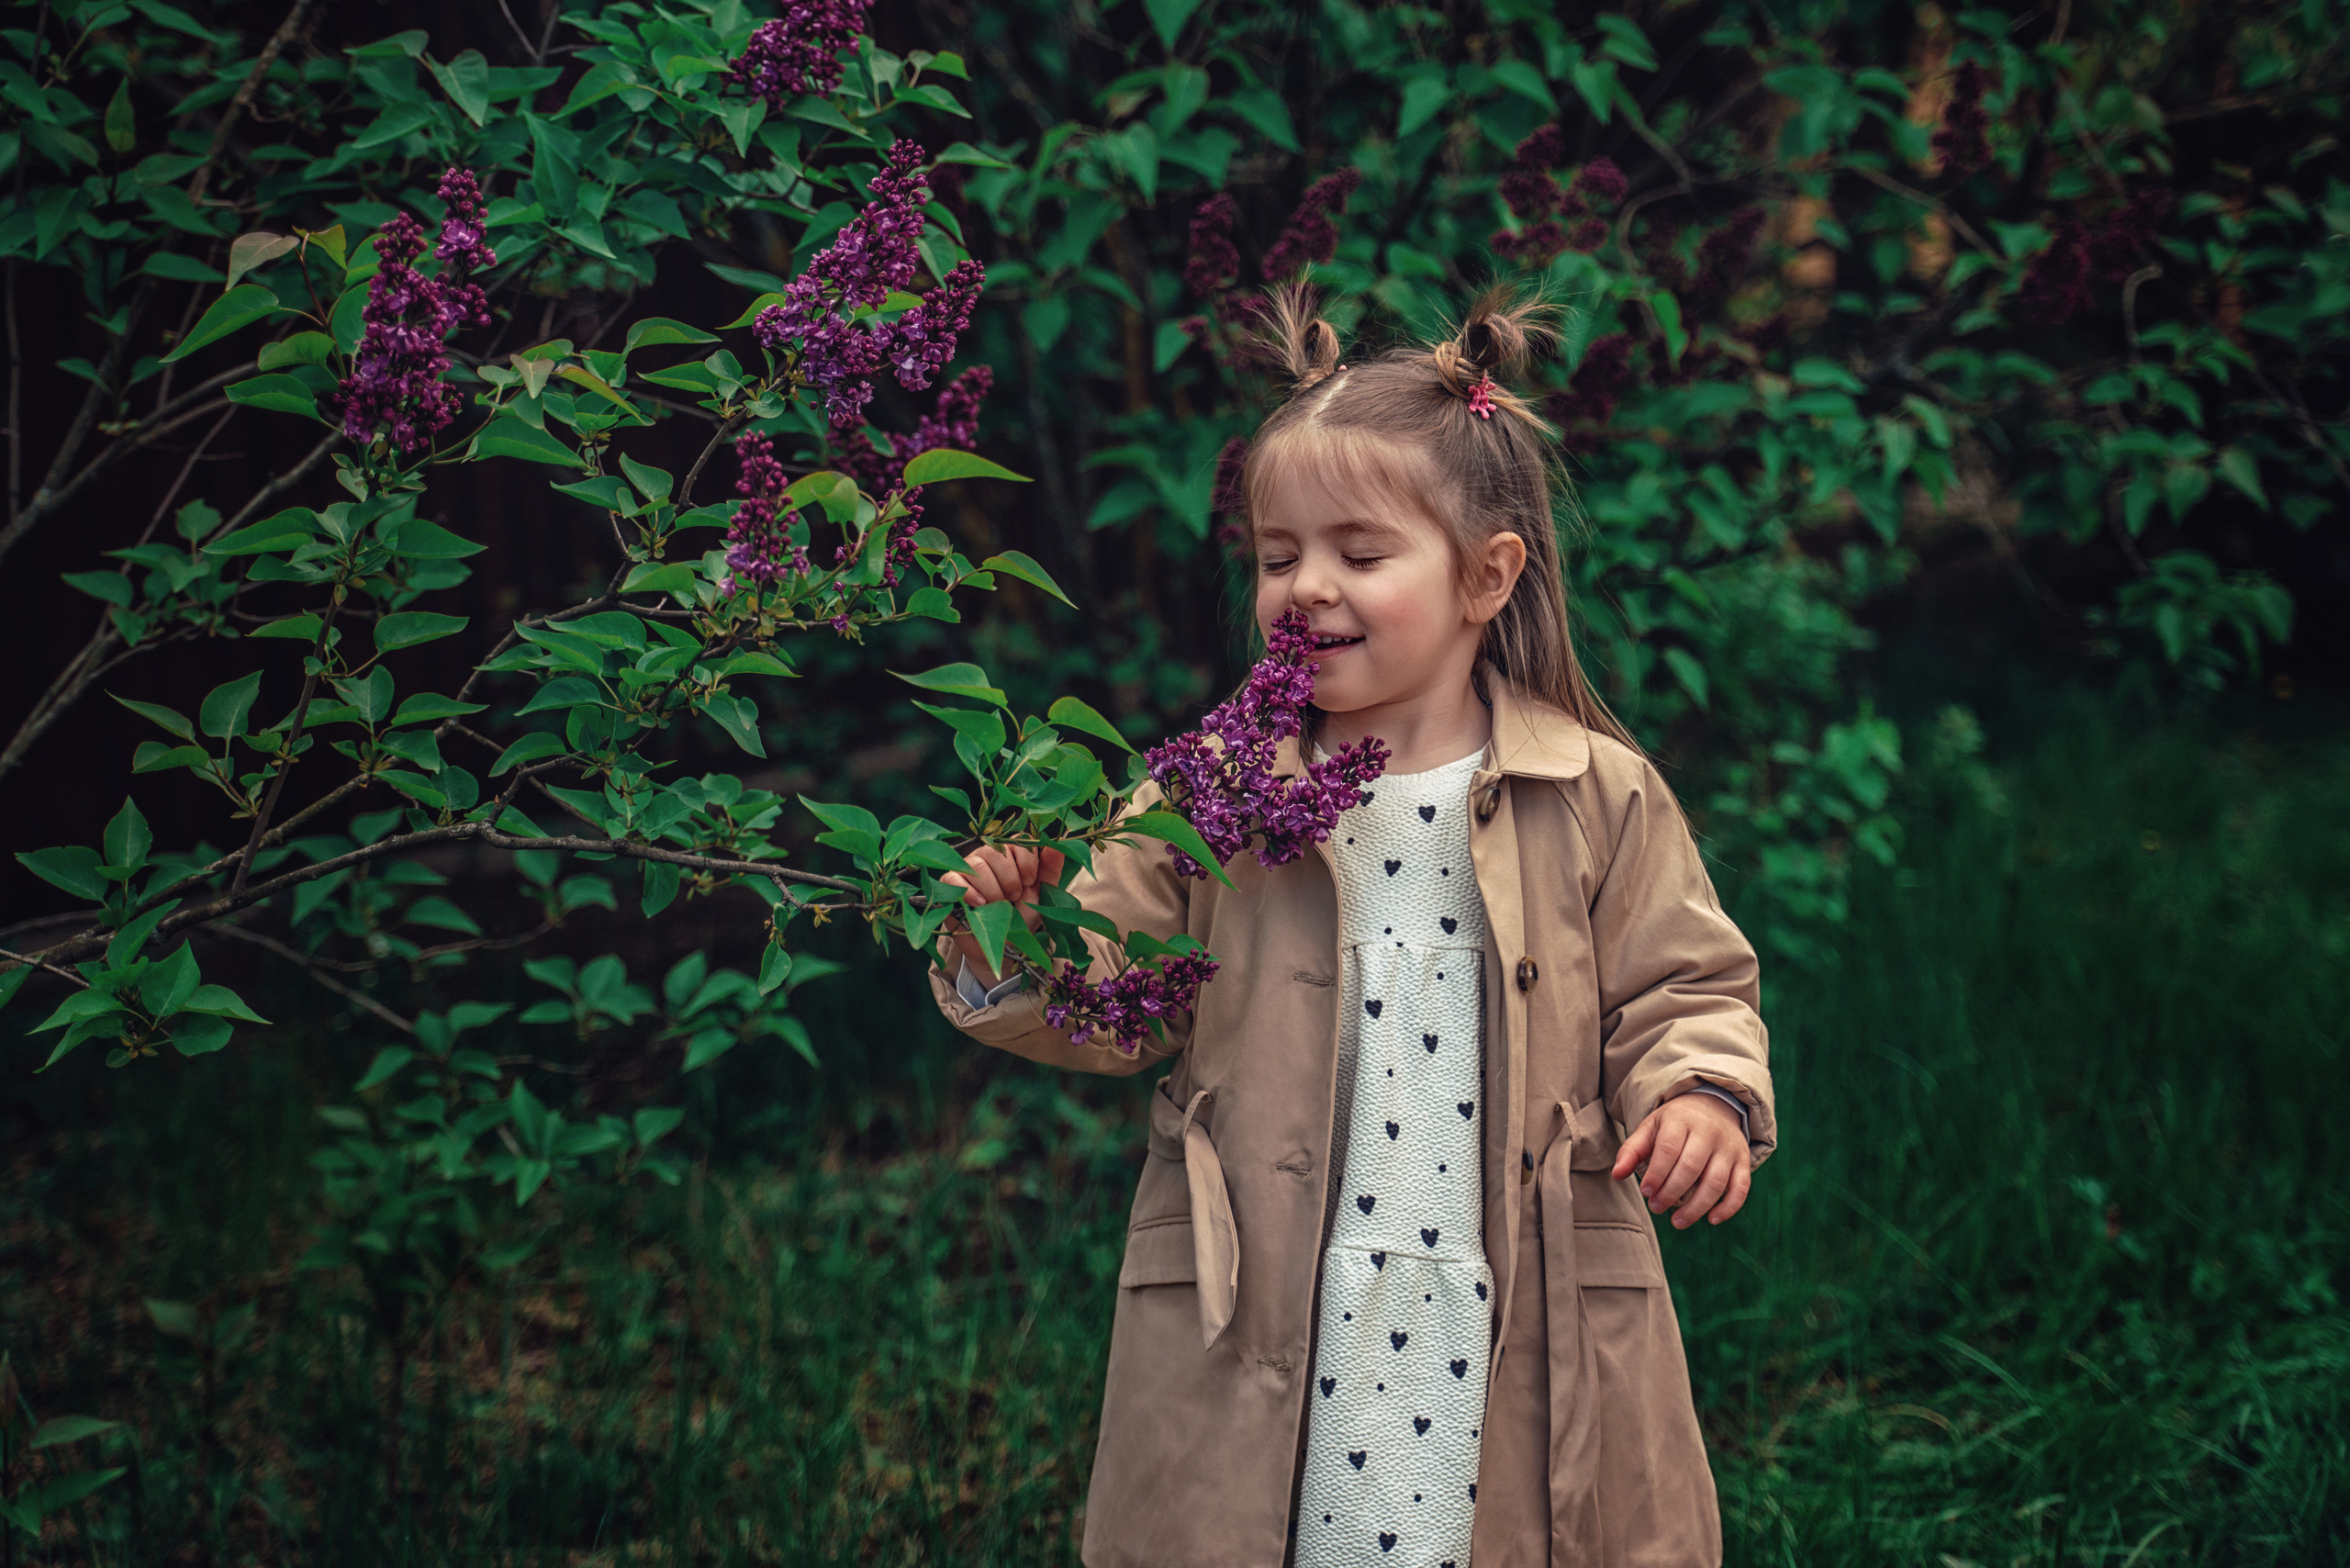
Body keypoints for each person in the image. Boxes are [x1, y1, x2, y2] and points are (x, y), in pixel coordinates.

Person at [926, 287, 1776, 1568]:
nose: (1305, 587)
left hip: (1502, 1284)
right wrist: (1018, 930)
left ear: (1488, 574)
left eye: (1358, 555)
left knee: (1503, 1527)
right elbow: (1118, 997)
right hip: (1278, 1293)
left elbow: (1682, 982)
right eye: (1277, 556)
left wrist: (1703, 1089)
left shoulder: (1594, 790)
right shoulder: (1214, 789)